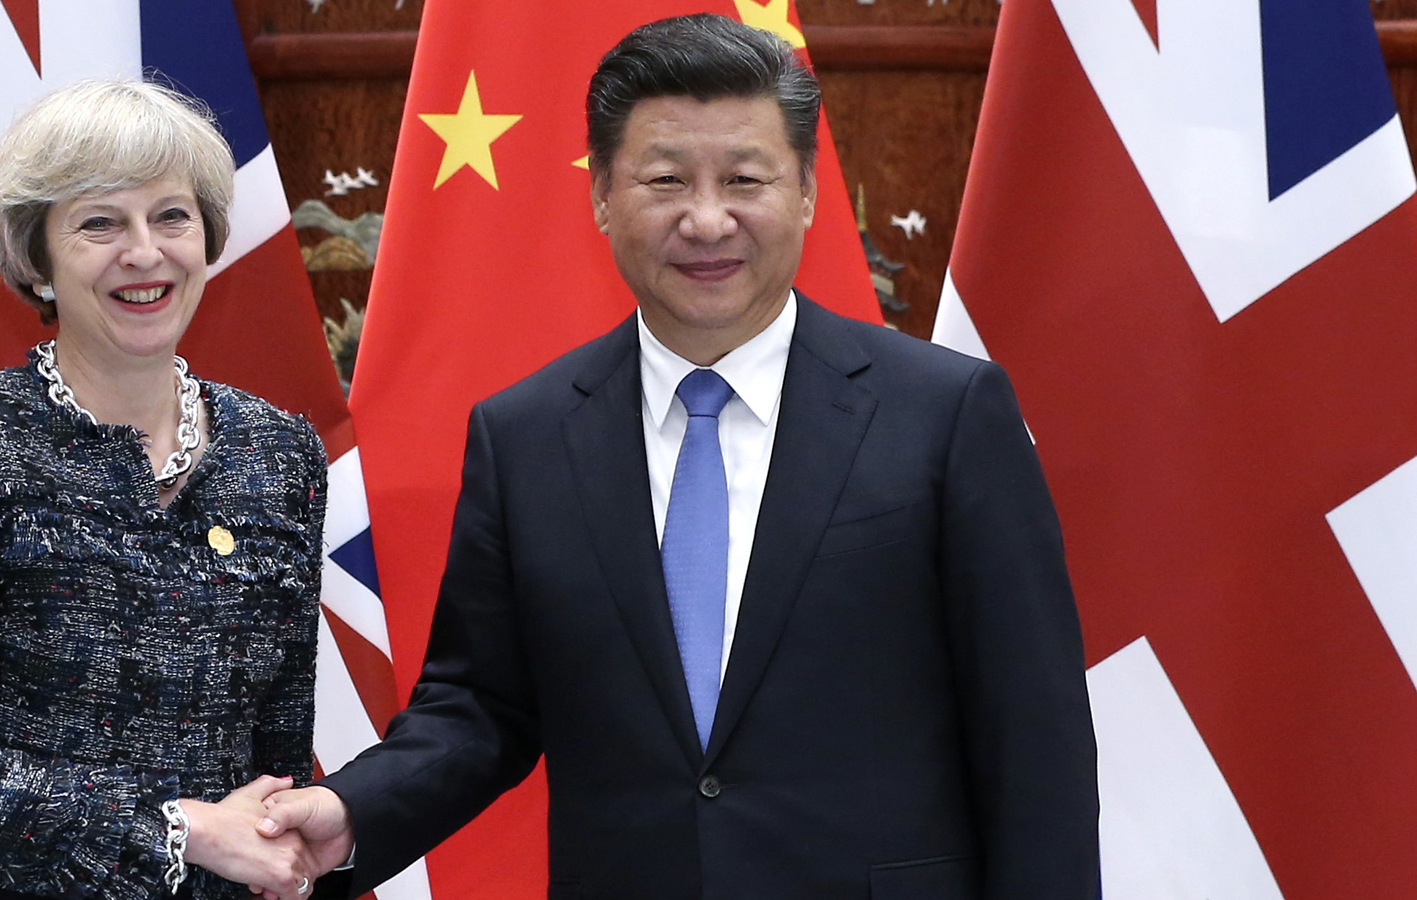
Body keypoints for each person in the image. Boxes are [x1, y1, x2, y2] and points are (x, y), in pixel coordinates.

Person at [258, 14, 1099, 899]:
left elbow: (1031, 736)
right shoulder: (527, 435)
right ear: (601, 196)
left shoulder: (946, 414)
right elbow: (481, 709)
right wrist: (350, 813)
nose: (706, 219)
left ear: (807, 192)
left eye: (744, 179)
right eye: (665, 180)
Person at [0, 79, 324, 900]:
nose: (143, 252)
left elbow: (274, 765)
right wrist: (173, 832)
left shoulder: (278, 452)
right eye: (100, 223)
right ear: (36, 260)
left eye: (171, 216)